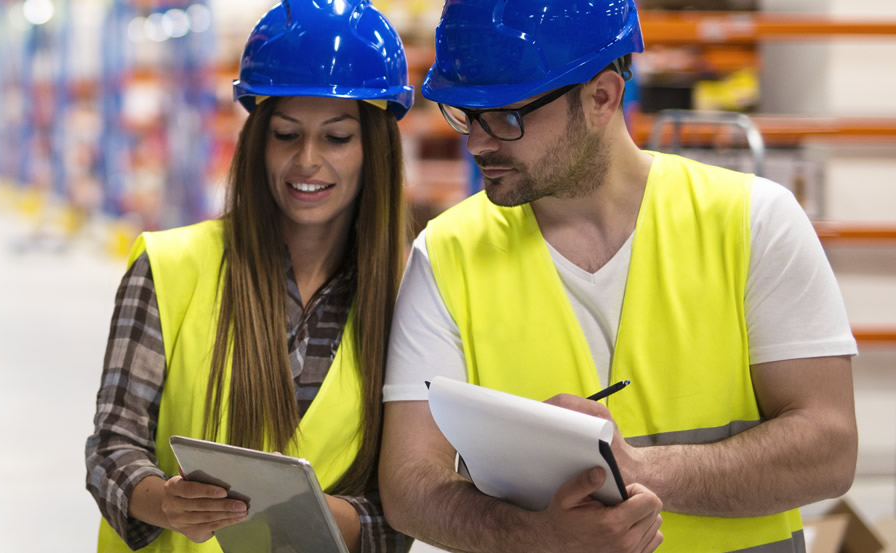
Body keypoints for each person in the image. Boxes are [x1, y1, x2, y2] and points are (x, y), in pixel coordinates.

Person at [377, 1, 860, 552]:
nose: (478, 143)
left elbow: (830, 447)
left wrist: (635, 471)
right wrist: (539, 535)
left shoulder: (754, 223)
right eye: (465, 113)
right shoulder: (446, 253)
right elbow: (410, 485)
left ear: (602, 97)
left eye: (507, 117)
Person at [84, 2, 416, 551]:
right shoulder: (168, 268)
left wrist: (323, 516)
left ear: (373, 150)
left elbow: (410, 500)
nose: (307, 160)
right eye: (286, 134)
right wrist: (162, 500)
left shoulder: (408, 295)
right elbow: (111, 447)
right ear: (258, 140)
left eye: (336, 138)